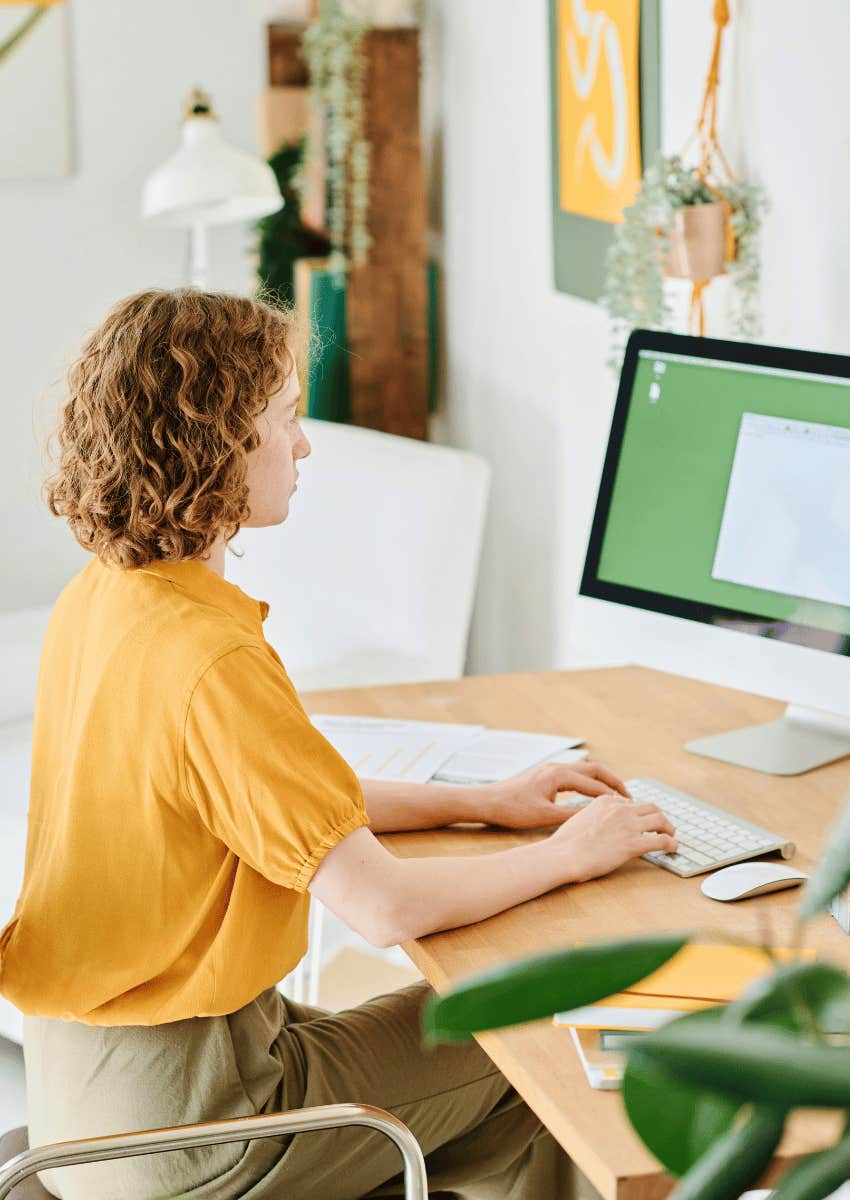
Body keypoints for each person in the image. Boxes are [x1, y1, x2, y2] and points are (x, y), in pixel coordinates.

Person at [0, 289, 677, 1200]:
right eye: (285, 418)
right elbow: (384, 906)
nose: (304, 445)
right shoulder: (212, 656)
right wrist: (570, 853)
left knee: (498, 1093)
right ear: (217, 443)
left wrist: (481, 801)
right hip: (199, 1126)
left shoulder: (107, 597)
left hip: (87, 1102)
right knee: (547, 1020)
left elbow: (271, 802)